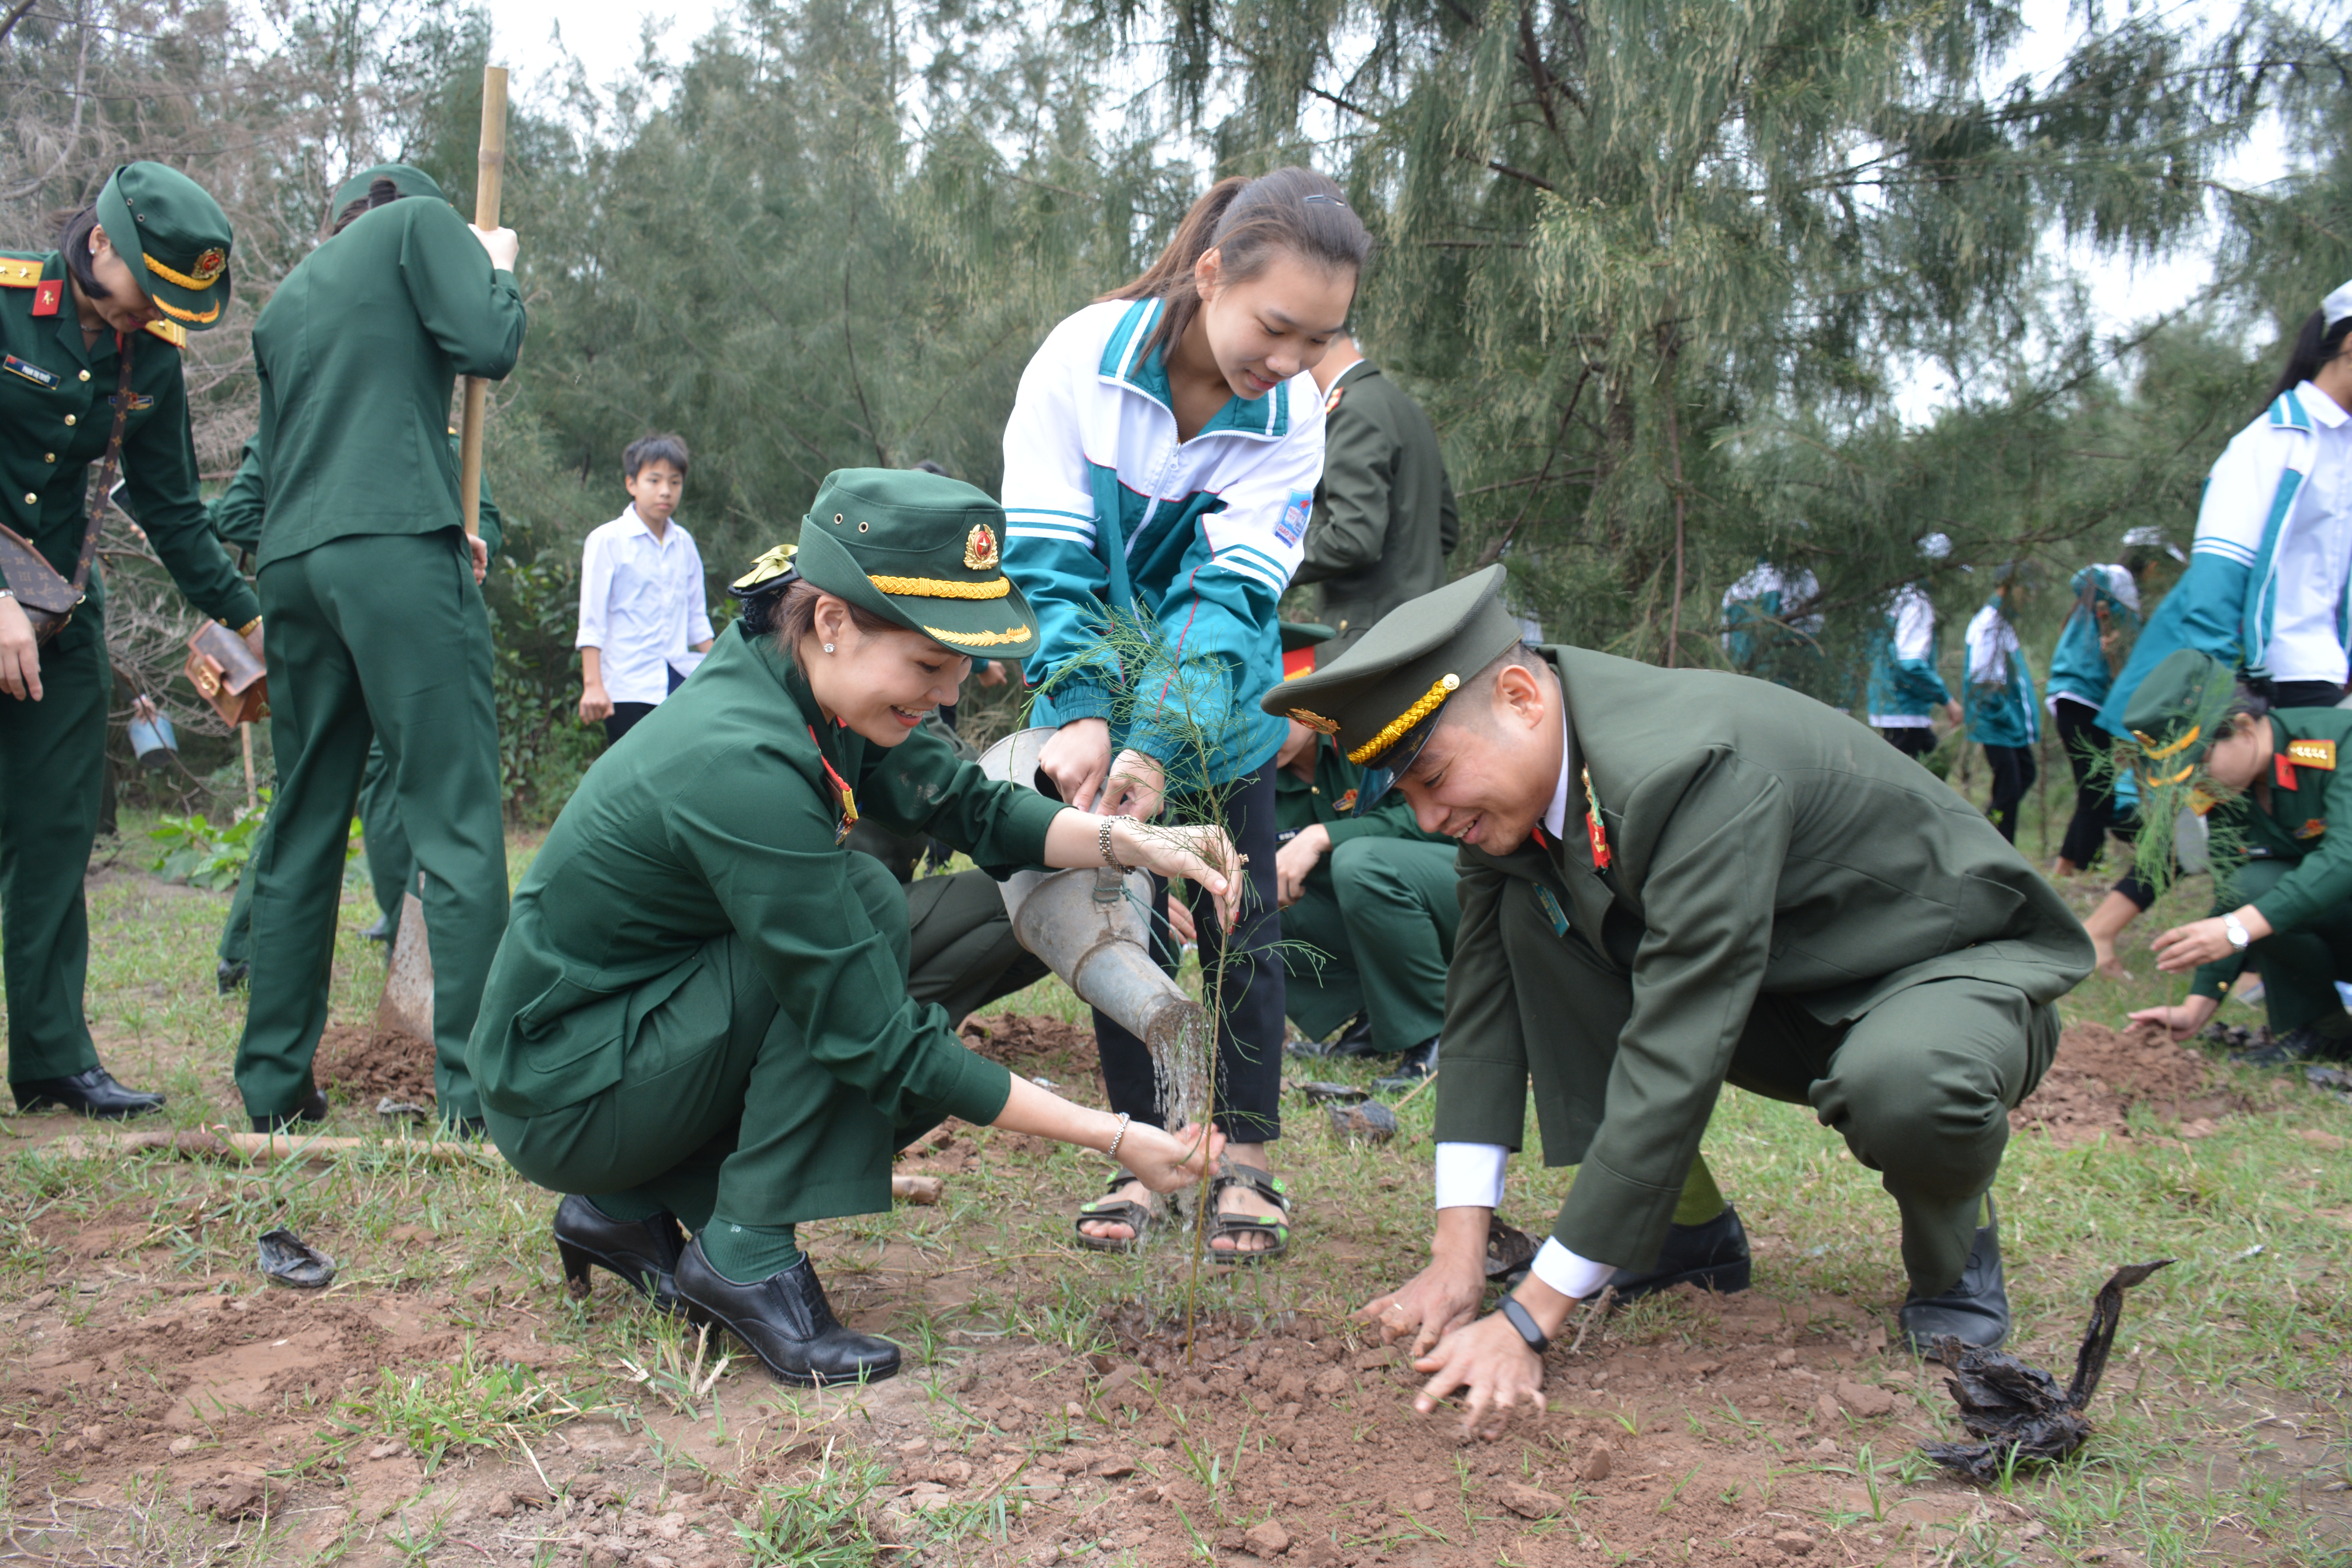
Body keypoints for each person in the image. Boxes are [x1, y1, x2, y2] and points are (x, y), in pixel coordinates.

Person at [1268, 566, 2091, 1433]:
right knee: (1533, 929)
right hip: (1785, 982)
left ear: (1519, 695)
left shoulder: (1688, 768)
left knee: (1907, 1080)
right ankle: (1685, 1233)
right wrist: (1456, 1254)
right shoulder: (1533, 781)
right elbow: (1483, 1009)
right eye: (1412, 797)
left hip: (1939, 972)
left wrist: (1529, 1315)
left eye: (1434, 776)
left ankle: (1955, 1254)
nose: (1430, 818)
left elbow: (1677, 1046)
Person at [468, 469, 1236, 1385]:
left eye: (958, 674)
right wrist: (1116, 1136)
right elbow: (872, 1036)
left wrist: (1130, 844)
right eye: (925, 668)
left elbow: (967, 806)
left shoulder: (807, 680)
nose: (943, 699)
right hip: (565, 1087)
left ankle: (626, 1205)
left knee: (886, 948)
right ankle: (742, 1253)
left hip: (625, 1038)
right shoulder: (743, 757)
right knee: (870, 920)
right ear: (831, 619)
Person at [998, 167, 1369, 1260]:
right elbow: (1055, 566)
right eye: (1277, 327)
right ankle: (1147, 1151)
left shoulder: (1291, 415)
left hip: (1221, 703)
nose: (1292, 362)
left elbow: (1228, 601)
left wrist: (1158, 744)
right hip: (1096, 702)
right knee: (1125, 918)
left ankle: (1246, 1157)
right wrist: (1081, 713)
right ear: (1211, 274)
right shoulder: (1079, 363)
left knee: (1238, 923)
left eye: (1320, 339)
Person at [230, 162, 522, 1135]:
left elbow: (311, 446)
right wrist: (494, 268)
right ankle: (475, 1097)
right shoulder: (421, 228)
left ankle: (273, 1086)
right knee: (458, 816)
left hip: (295, 563)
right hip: (394, 553)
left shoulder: (288, 300)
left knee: (304, 817)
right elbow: (487, 343)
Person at [0, 163, 261, 1117]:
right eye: (140, 293)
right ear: (99, 241)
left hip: (64, 619)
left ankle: (51, 1059)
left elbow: (170, 509)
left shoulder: (149, 356)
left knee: (56, 836)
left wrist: (247, 614)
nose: (144, 315)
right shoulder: (6, 304)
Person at [2080, 286, 2352, 978]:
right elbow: (2215, 582)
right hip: (2266, 680)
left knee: (2272, 835)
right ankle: (2120, 939)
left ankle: (2138, 942)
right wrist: (2219, 696)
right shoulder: (2270, 444)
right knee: (2230, 828)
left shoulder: (2343, 447)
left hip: (2324, 674)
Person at [211, 425, 505, 987]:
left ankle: (406, 939)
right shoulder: (302, 417)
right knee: (317, 789)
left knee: (387, 787)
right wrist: (326, 542)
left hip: (412, 628)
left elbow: (482, 518)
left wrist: (452, 547)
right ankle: (250, 947)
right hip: (333, 627)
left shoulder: (436, 428)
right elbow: (239, 514)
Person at [2120, 651, 2352, 1067]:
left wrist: (2236, 928)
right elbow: (2234, 898)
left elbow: (2346, 856)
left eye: (2199, 764)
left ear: (2243, 728)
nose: (2195, 782)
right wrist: (2196, 1007)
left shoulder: (2340, 741)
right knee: (2251, 887)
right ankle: (2329, 1030)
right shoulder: (2230, 793)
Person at [1272, 621, 1460, 1087]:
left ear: (1304, 710)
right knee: (1254, 893)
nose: (1256, 736)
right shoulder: (1253, 775)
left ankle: (1439, 1030)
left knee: (1360, 865)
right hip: (1384, 907)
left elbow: (1430, 819)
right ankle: (1377, 1016)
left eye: (1270, 719)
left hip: (1460, 891)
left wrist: (1323, 835)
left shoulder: (1364, 736)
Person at [1290, 330, 1458, 662]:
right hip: (1426, 631)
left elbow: (1353, 538)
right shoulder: (1402, 406)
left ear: (1313, 340)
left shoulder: (1353, 410)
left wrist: (1270, 562)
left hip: (1369, 641)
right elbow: (1446, 531)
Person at [576, 432, 715, 744]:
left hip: (680, 684)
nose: (665, 491)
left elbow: (697, 621)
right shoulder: (607, 540)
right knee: (634, 783)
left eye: (675, 482)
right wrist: (593, 685)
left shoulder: (685, 544)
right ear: (632, 484)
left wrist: (726, 667)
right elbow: (592, 620)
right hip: (626, 686)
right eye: (654, 480)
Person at [2046, 563, 2140, 875]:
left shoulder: (2110, 610)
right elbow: (2084, 577)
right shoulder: (2111, 590)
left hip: (2081, 700)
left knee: (2095, 791)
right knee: (2097, 794)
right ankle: (2087, 870)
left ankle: (2065, 868)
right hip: (2080, 698)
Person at [1864, 534, 1960, 759]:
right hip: (1904, 712)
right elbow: (1910, 663)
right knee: (1906, 784)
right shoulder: (1918, 604)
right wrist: (1948, 700)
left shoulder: (1897, 595)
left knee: (1930, 766)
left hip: (1891, 706)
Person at [1962, 567, 2038, 844]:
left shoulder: (2004, 623)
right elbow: (1983, 679)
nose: (2030, 599)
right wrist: (2005, 715)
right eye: (2025, 591)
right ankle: (1995, 847)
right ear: (2007, 588)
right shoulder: (1989, 623)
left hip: (2007, 721)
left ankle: (1986, 834)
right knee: (2010, 786)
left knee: (2026, 773)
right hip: (1994, 720)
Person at [1721, 556, 1823, 689]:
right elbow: (1815, 631)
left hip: (1746, 680)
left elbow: (1727, 644)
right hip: (1790, 679)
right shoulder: (1802, 578)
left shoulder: (1737, 588)